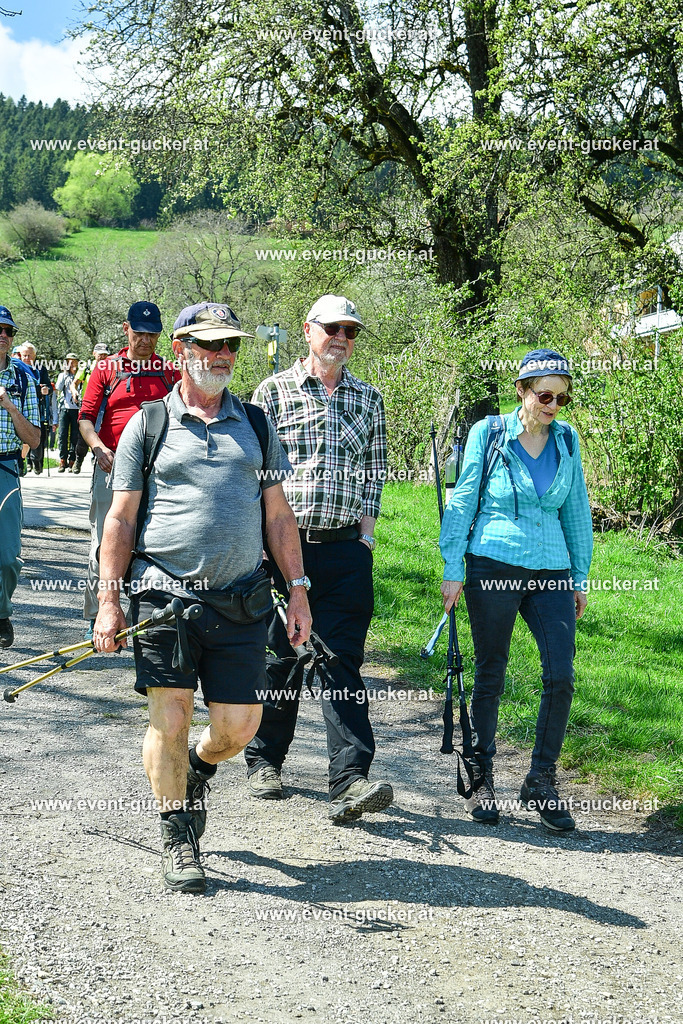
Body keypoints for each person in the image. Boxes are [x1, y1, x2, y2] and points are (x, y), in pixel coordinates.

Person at [93, 300, 312, 894]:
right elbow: (121, 519)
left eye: (230, 345)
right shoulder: (148, 425)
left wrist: (297, 591)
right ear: (182, 350)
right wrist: (110, 601)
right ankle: (177, 834)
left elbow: (278, 515)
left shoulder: (256, 425)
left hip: (241, 600)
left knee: (238, 728)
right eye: (210, 345)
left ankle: (198, 766)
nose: (223, 355)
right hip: (164, 596)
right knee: (170, 717)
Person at [244, 294, 393, 824]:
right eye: (333, 329)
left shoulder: (369, 399)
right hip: (284, 550)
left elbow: (374, 474)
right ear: (308, 330)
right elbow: (254, 475)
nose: (342, 339)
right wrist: (262, 547)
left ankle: (351, 780)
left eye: (351, 331)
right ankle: (264, 761)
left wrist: (365, 541)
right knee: (280, 659)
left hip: (346, 551)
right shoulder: (272, 392)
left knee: (342, 661)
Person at [439, 348, 593, 832]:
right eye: (545, 396)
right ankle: (481, 775)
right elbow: (464, 500)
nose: (553, 406)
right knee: (491, 671)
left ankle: (541, 780)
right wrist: (452, 567)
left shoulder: (567, 440)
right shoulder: (489, 433)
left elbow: (576, 511)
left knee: (561, 674)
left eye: (562, 398)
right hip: (493, 563)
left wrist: (580, 577)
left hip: (552, 570)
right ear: (522, 391)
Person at [78, 303, 179, 638]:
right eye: (139, 333)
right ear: (126, 329)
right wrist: (97, 446)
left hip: (156, 471)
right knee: (103, 543)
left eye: (152, 334)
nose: (145, 340)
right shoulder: (106, 368)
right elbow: (85, 417)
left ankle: (145, 615)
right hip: (112, 466)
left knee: (152, 544)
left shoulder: (170, 372)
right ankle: (98, 616)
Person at [0, 306, 41, 648]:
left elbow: (35, 439)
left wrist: (10, 406)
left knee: (7, 558)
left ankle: (1, 613)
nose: (3, 335)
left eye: (8, 331)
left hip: (6, 469)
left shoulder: (23, 378)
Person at [72, 343, 109, 474]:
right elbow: (74, 383)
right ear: (94, 354)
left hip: (104, 405)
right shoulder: (86, 367)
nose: (102, 357)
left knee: (102, 433)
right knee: (84, 435)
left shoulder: (111, 367)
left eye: (105, 354)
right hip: (88, 404)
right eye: (100, 354)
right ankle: (79, 460)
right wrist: (74, 392)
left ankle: (98, 461)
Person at [16, 343, 53, 475]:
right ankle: (23, 462)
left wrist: (47, 389)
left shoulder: (40, 369)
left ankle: (36, 461)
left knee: (36, 434)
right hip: (19, 407)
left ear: (35, 356)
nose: (27, 358)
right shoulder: (15, 368)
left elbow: (49, 386)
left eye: (30, 355)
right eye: (24, 355)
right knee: (21, 436)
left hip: (36, 407)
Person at [55, 353, 81, 472]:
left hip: (77, 408)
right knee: (62, 434)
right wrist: (65, 375)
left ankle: (72, 460)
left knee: (75, 435)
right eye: (69, 361)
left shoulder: (80, 375)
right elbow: (58, 388)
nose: (71, 364)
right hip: (65, 408)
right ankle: (62, 459)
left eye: (74, 361)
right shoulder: (63, 375)